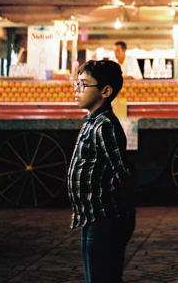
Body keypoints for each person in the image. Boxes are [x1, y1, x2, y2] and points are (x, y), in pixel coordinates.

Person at [68, 59, 136, 283]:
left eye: (84, 85)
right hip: (91, 217)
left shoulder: (104, 125)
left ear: (105, 91)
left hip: (106, 218)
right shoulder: (90, 122)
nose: (77, 90)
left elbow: (124, 172)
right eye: (77, 84)